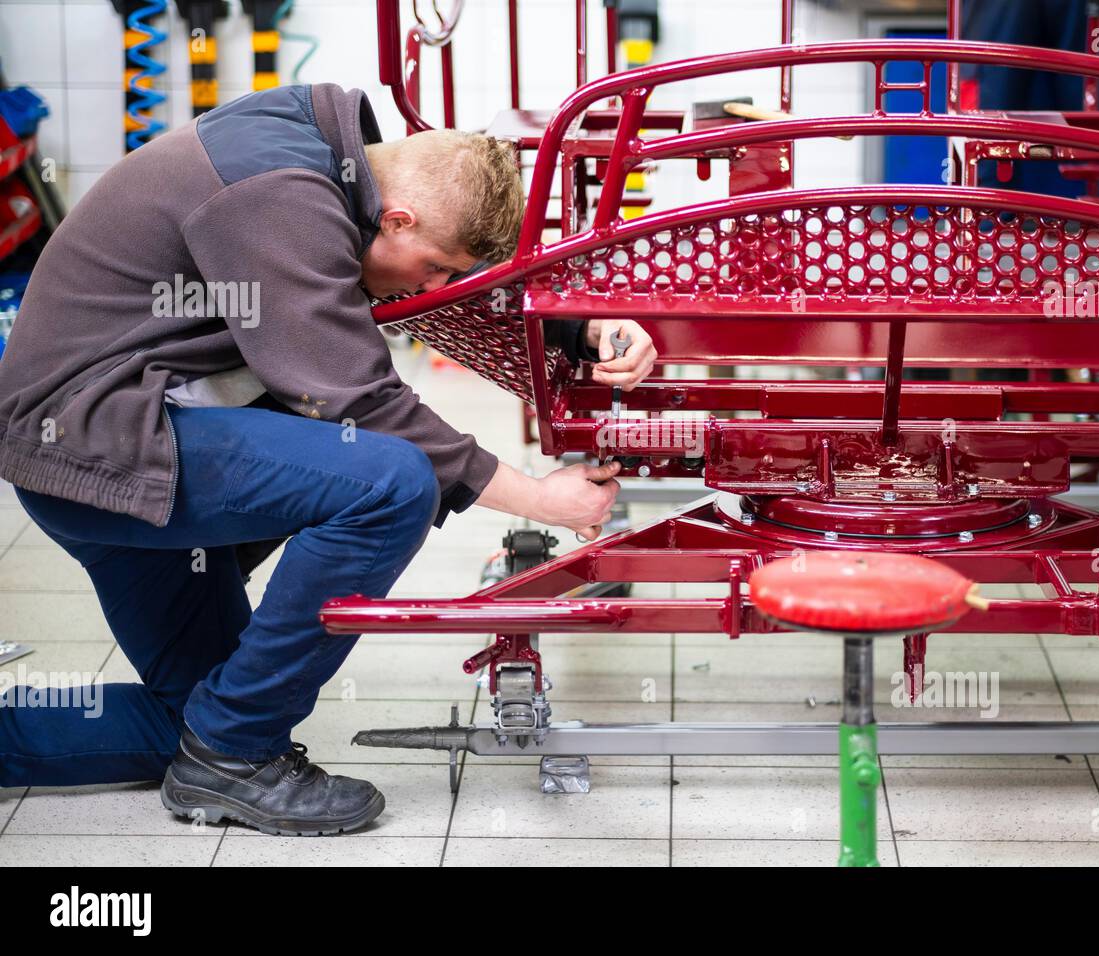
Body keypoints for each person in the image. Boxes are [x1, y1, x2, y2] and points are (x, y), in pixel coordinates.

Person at [0, 82, 657, 834]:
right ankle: (235, 755)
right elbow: (359, 397)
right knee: (389, 479)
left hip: (130, 440)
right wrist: (540, 500)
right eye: (436, 267)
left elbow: (440, 286)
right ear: (398, 217)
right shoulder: (279, 193)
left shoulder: (334, 170)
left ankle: (209, 747)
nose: (436, 289)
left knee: (193, 714)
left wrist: (580, 328)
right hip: (101, 444)